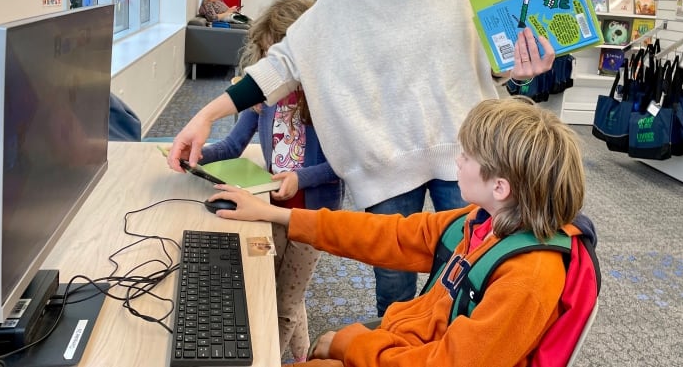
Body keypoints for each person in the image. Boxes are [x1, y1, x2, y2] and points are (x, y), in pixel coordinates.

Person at [168, 0, 555, 315]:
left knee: (458, 286)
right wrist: (207, 114)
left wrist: (523, 70)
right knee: (393, 295)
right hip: (388, 165)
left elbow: (493, 65)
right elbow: (288, 60)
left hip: (466, 157)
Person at [204, 96, 587, 366]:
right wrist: (277, 215)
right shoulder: (480, 222)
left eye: (468, 155)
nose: (457, 159)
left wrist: (352, 345)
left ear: (500, 187)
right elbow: (385, 234)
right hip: (405, 342)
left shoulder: (529, 277)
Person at [199, 0, 344, 362]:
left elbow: (341, 165)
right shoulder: (264, 100)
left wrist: (300, 178)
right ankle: (303, 358)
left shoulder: (325, 101)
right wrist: (196, 154)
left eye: (276, 57)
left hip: (313, 215)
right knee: (281, 291)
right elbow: (231, 145)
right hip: (271, 206)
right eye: (265, 57)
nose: (269, 68)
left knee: (283, 304)